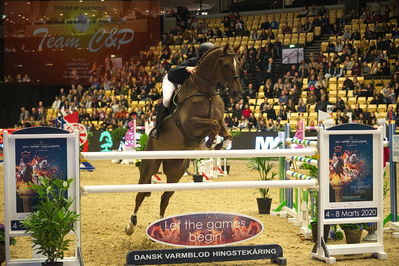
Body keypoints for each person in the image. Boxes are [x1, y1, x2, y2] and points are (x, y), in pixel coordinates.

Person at [150, 42, 216, 139]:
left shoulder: (210, 67)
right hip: (172, 80)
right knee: (167, 100)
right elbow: (173, 70)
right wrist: (186, 68)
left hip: (185, 86)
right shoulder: (193, 61)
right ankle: (157, 128)